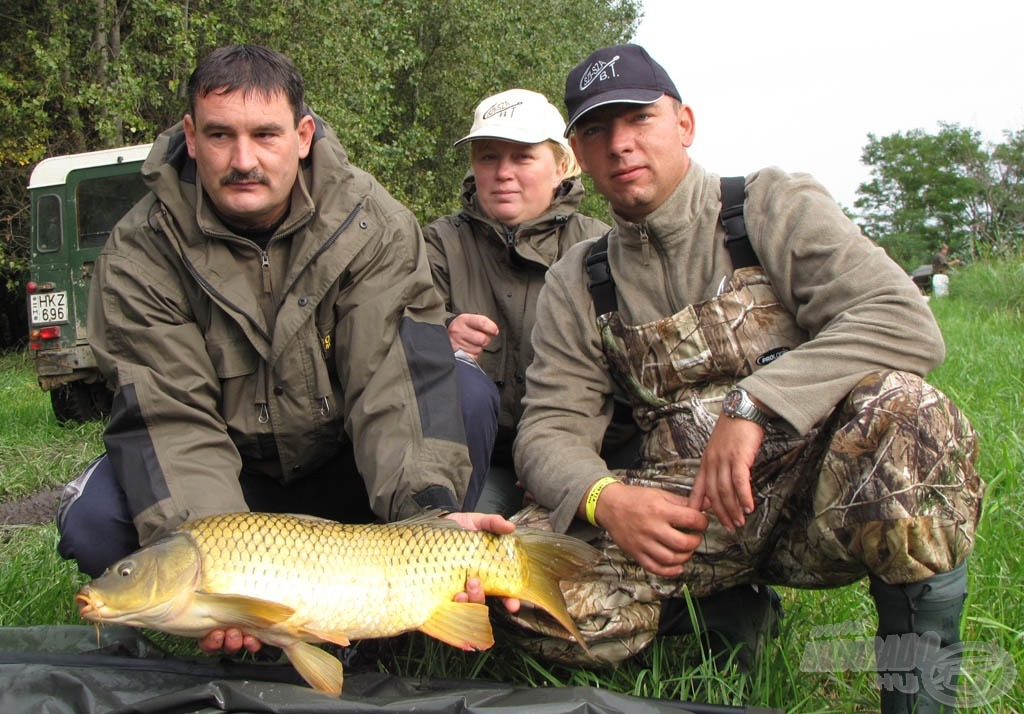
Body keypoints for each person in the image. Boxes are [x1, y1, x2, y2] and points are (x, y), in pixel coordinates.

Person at [504, 44, 982, 714]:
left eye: (638, 119)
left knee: (909, 415)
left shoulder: (770, 207)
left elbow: (903, 320)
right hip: (687, 518)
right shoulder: (578, 278)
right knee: (528, 596)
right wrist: (605, 499)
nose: (620, 145)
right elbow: (549, 427)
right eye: (595, 131)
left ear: (685, 124)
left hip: (820, 495)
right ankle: (725, 615)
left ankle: (917, 697)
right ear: (577, 156)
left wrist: (755, 403)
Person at [55, 45, 512, 654]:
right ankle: (256, 630)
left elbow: (395, 381)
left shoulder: (371, 222)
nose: (243, 160)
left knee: (466, 390)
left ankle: (384, 629)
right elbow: (169, 419)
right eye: (220, 135)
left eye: (265, 134)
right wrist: (216, 580)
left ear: (302, 135)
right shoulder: (140, 253)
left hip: (346, 462)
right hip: (233, 486)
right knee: (93, 519)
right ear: (190, 136)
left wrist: (428, 519)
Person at [422, 88, 615, 515]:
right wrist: (441, 332)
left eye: (523, 157)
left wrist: (564, 468)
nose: (503, 172)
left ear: (561, 167)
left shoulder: (600, 247)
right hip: (479, 464)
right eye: (488, 157)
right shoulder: (439, 243)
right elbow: (395, 333)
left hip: (582, 458)